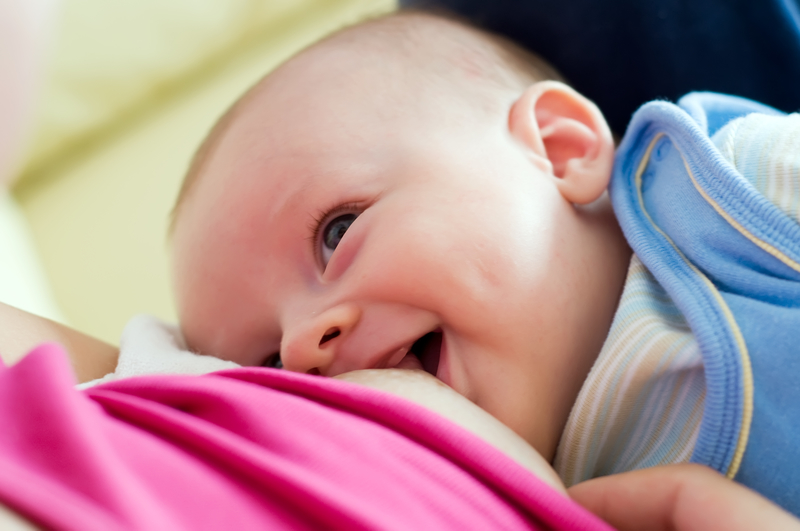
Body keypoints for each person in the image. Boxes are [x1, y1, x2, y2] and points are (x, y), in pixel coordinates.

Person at [158, 8, 800, 517]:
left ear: (558, 148)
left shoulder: (728, 198)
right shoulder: (510, 508)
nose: (301, 348)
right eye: (269, 367)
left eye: (339, 231)